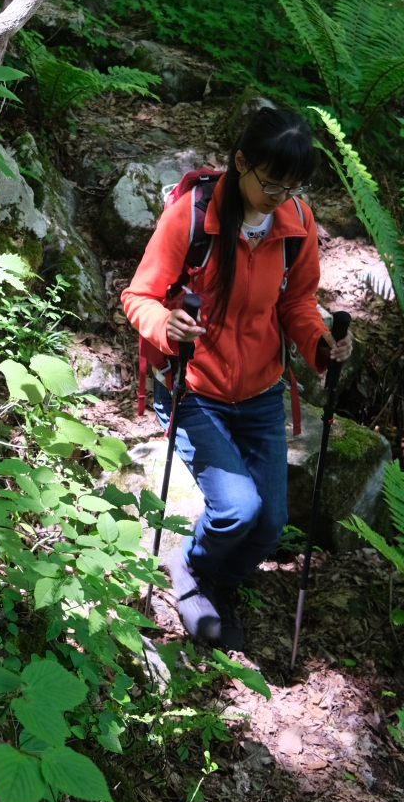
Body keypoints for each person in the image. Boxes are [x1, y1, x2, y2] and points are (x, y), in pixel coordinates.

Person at [121, 106, 352, 650]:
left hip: (261, 392)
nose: (280, 197)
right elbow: (138, 296)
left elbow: (297, 303)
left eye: (292, 187)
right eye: (271, 182)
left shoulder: (296, 223)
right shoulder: (193, 217)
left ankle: (213, 581)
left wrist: (323, 344)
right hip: (193, 388)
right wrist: (165, 324)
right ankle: (191, 569)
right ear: (242, 162)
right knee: (237, 509)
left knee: (270, 523)